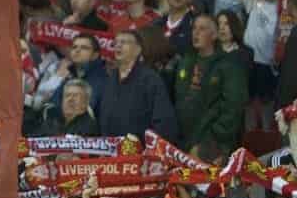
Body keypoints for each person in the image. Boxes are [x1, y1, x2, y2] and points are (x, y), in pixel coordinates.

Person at [175, 15, 248, 153]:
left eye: (202, 29)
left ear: (214, 35)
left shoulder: (229, 66)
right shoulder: (185, 62)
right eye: (194, 28)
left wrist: (210, 143)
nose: (196, 33)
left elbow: (233, 108)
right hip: (183, 141)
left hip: (213, 144)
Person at [97, 29, 177, 139]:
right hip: (112, 149)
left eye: (124, 42)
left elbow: (163, 120)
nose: (118, 46)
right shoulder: (109, 80)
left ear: (138, 49)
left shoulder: (150, 79)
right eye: (115, 43)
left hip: (138, 151)